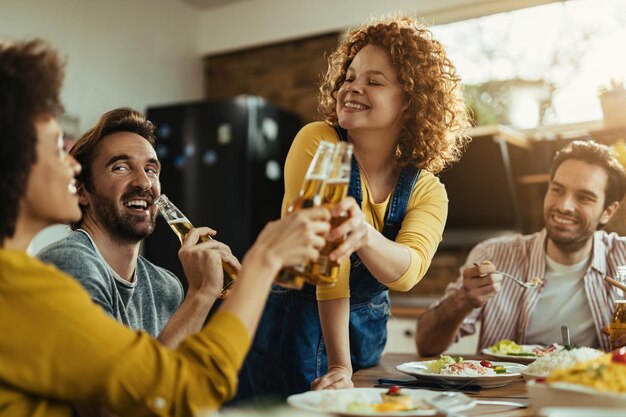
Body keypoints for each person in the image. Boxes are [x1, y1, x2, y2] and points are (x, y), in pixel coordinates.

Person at [0, 38, 331, 417]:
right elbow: (170, 393)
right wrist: (262, 260)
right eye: (58, 148)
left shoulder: (162, 283)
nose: (71, 167)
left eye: (152, 168)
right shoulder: (33, 280)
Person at [238, 15, 469, 399]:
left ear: (410, 104)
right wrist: (337, 366)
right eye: (349, 76)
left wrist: (363, 235)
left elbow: (407, 271)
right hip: (284, 342)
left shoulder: (427, 191)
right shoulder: (319, 143)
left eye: (373, 82)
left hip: (360, 353)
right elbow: (330, 264)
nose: (352, 88)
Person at [38, 107, 233, 349]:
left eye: (151, 170)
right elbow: (124, 384)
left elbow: (182, 380)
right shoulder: (68, 264)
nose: (144, 182)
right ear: (82, 191)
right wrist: (201, 294)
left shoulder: (165, 286)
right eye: (120, 167)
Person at [416, 140, 626, 356]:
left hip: (595, 387)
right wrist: (461, 300)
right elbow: (425, 345)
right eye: (557, 190)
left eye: (584, 197)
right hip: (509, 390)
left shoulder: (623, 257)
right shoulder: (493, 255)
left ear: (608, 211)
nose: (564, 206)